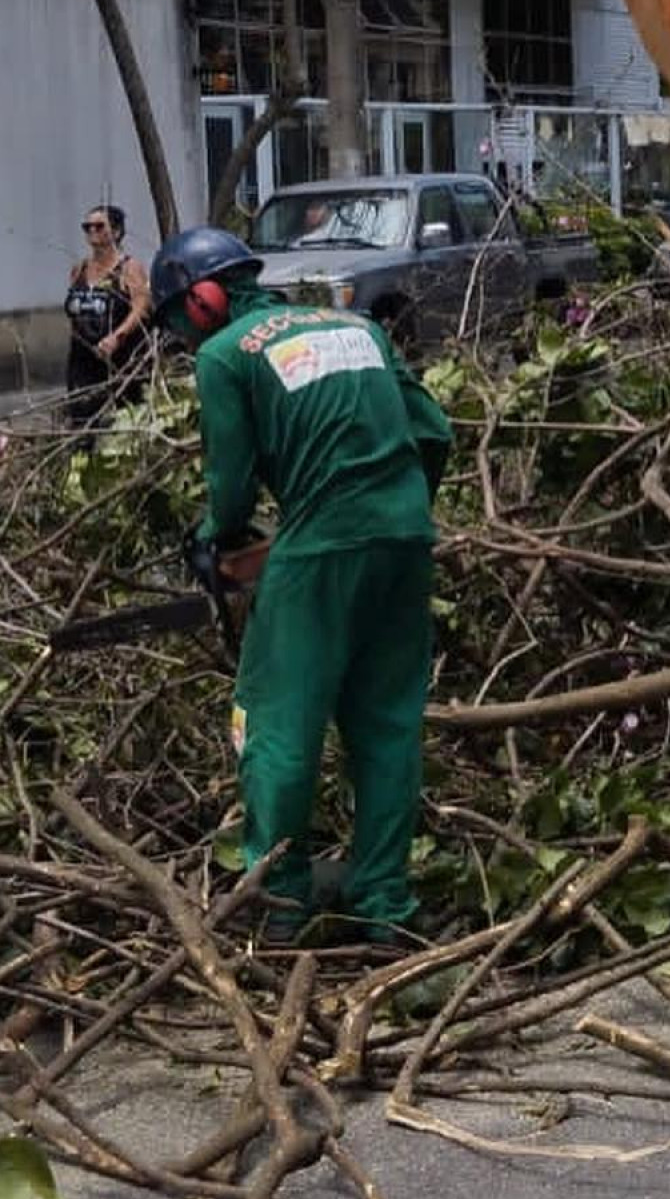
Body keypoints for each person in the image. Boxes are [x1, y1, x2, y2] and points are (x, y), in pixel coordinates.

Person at [149, 225, 453, 946]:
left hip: (320, 549)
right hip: (406, 537)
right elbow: (433, 432)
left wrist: (213, 542)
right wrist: (395, 513)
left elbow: (229, 488)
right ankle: (384, 903)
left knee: (277, 722)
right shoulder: (357, 328)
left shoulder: (225, 355)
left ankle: (281, 902)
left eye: (177, 329)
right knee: (386, 725)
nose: (184, 343)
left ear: (203, 301)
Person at [64, 205, 150, 428]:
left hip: (120, 355)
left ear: (117, 231)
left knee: (126, 415)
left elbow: (141, 307)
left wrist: (117, 336)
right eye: (87, 227)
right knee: (82, 414)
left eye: (100, 226)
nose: (93, 231)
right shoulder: (79, 270)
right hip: (84, 356)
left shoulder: (128, 268)